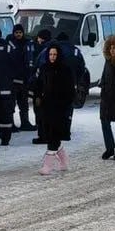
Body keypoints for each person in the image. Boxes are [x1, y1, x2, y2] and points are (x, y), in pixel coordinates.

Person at [36, 44, 75, 176]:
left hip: (60, 108)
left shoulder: (65, 70)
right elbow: (39, 84)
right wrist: (38, 96)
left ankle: (48, 165)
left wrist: (65, 105)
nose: (52, 57)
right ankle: (64, 162)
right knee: (51, 135)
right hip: (46, 107)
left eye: (55, 55)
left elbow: (70, 90)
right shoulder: (44, 68)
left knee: (54, 136)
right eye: (50, 54)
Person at [28, 29, 53, 145]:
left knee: (41, 111)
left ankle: (43, 135)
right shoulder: (54, 50)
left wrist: (33, 84)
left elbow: (39, 71)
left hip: (42, 87)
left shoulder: (44, 52)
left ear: (42, 39)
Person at [7, 24, 35, 132]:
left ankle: (25, 122)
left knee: (23, 103)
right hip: (12, 79)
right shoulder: (10, 44)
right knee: (11, 104)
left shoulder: (27, 43)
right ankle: (11, 124)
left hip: (24, 78)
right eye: (16, 32)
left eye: (20, 32)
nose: (18, 34)